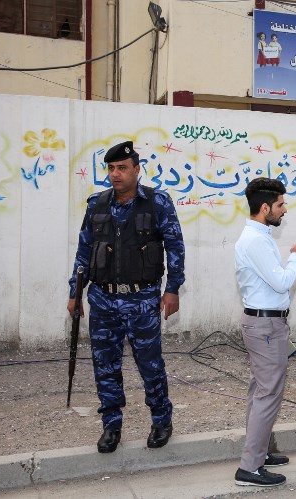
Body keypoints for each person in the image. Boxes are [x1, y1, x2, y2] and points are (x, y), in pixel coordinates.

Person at [67, 141, 185, 454]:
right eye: (111, 168)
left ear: (136, 169)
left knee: (150, 364)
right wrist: (74, 292)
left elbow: (175, 246)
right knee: (104, 366)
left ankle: (161, 419)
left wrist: (172, 289)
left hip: (143, 300)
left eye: (122, 168)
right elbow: (83, 250)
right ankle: (111, 425)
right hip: (103, 300)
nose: (115, 174)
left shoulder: (158, 202)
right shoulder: (97, 204)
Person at [233, 177, 296, 487]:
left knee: (259, 393)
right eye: (280, 205)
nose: (284, 210)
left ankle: (258, 454)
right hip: (266, 326)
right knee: (267, 395)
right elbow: (281, 281)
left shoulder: (259, 236)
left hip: (267, 324)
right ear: (265, 208)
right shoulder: (254, 240)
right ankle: (249, 467)